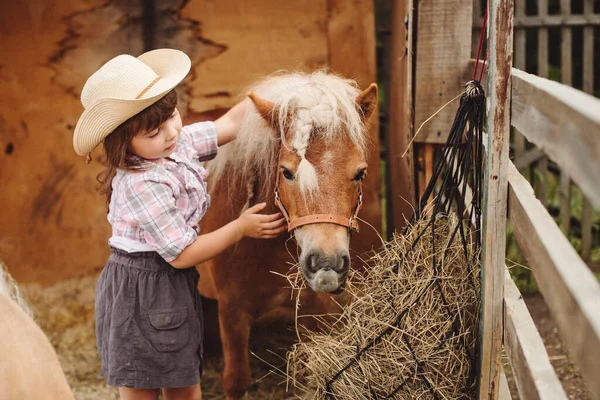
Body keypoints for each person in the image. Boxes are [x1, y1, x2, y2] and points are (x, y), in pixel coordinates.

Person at [73, 48, 286, 400]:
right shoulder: (143, 182)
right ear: (122, 143)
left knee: (185, 382)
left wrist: (281, 91)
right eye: (154, 131)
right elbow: (183, 255)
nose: (171, 132)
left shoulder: (175, 143)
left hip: (170, 285)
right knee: (141, 384)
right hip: (141, 290)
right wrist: (238, 228)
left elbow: (229, 124)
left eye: (172, 115)